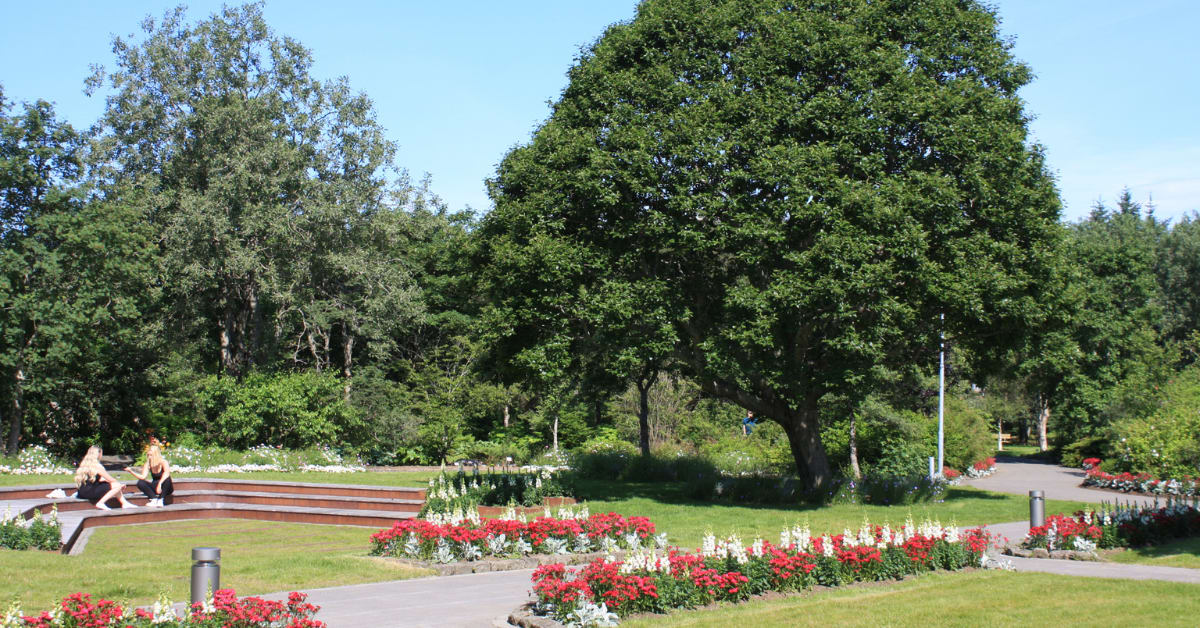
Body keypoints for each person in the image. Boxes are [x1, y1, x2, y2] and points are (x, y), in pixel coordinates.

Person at [74, 445, 138, 510]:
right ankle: (101, 503)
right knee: (116, 485)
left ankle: (124, 503)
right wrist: (120, 485)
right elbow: (111, 480)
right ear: (98, 454)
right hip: (90, 492)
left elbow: (101, 479)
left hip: (81, 492)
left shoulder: (85, 464)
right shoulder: (97, 466)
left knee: (115, 485)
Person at [125, 438, 173, 508]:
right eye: (148, 455)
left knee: (167, 479)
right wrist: (131, 471)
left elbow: (166, 473)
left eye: (151, 455)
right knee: (140, 482)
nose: (149, 457)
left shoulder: (163, 462)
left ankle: (160, 499)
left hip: (165, 486)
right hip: (155, 485)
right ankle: (153, 499)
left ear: (155, 455)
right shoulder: (147, 464)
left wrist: (160, 484)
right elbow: (143, 477)